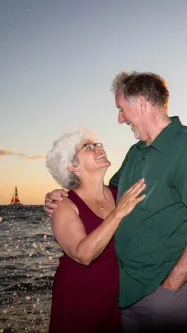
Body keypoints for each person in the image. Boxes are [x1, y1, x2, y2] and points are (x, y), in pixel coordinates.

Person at [45, 71, 187, 333]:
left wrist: (170, 289)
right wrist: (58, 194)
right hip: (126, 300)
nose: (119, 119)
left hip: (166, 296)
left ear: (141, 103)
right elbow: (102, 194)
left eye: (121, 109)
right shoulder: (135, 153)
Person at [45, 127, 145, 333]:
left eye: (98, 144)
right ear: (73, 166)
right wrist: (118, 212)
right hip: (78, 302)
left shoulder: (120, 194)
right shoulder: (63, 205)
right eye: (88, 147)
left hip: (115, 303)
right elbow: (84, 254)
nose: (99, 148)